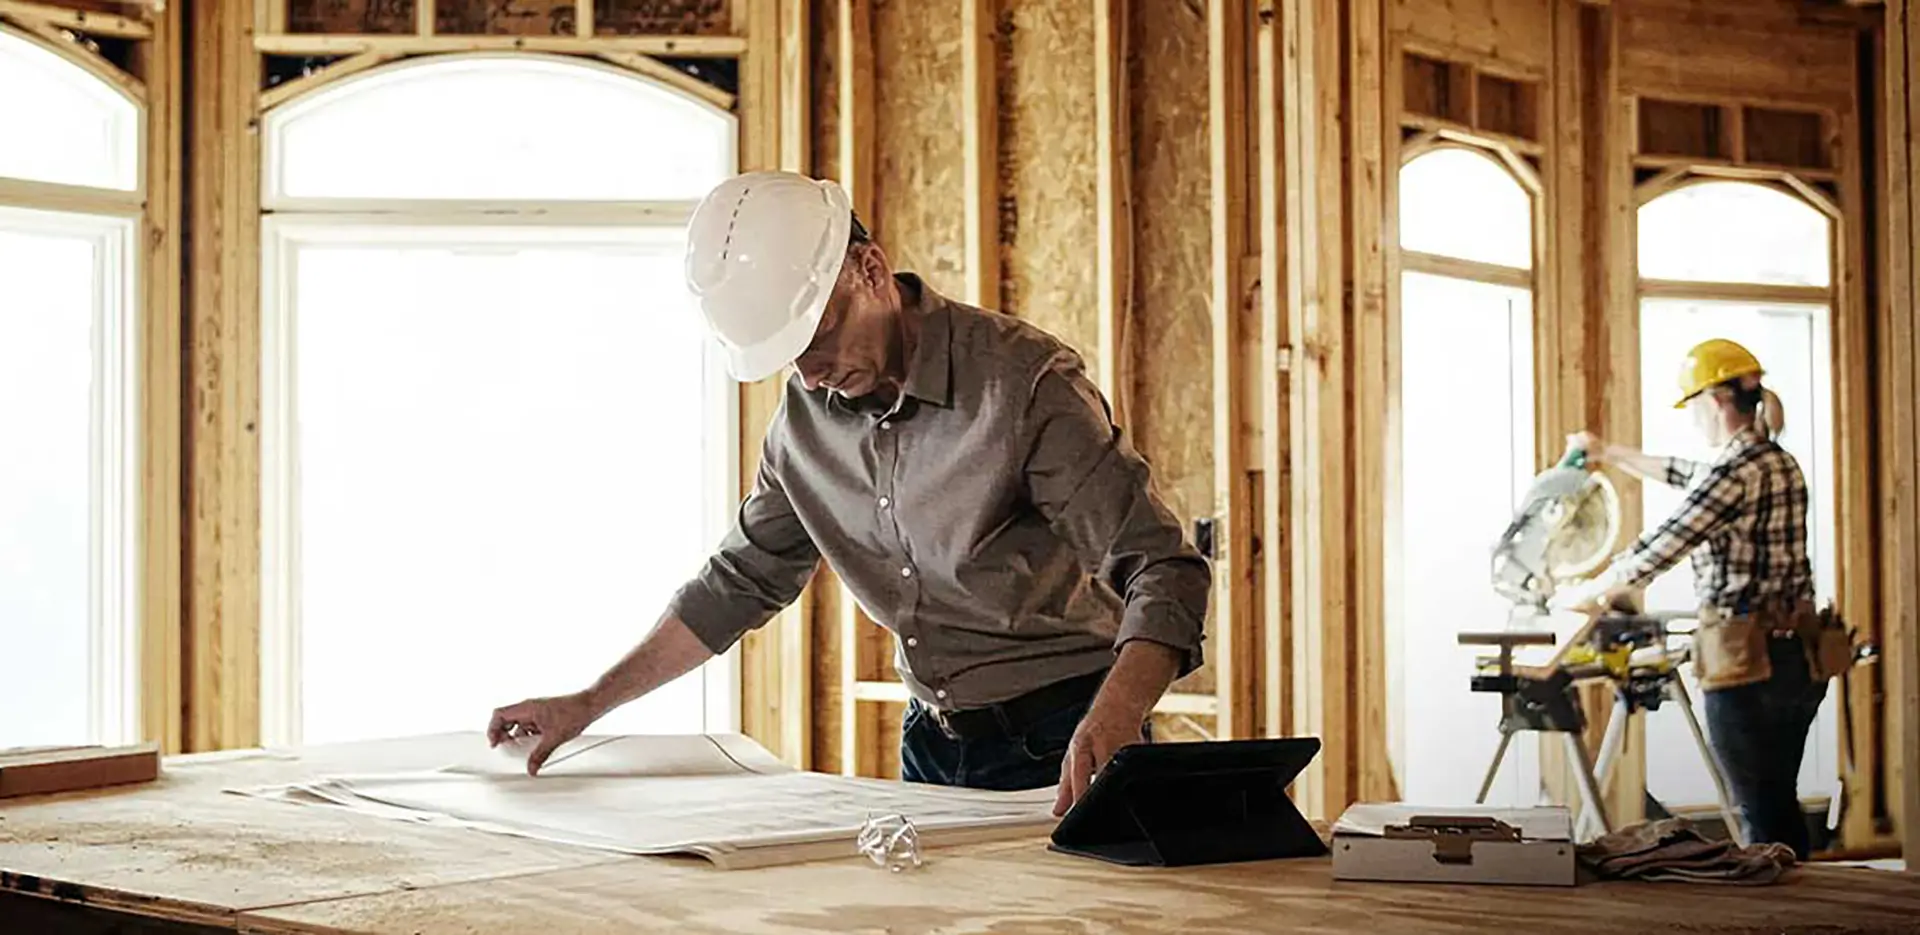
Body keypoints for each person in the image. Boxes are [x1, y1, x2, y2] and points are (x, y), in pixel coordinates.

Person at [486, 171, 1210, 817]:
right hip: (929, 744)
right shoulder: (803, 425)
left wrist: (1117, 715)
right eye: (789, 356)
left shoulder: (1020, 386)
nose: (810, 374)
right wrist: (587, 703)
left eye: (820, 333)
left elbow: (1162, 568)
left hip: (1067, 735)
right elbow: (737, 582)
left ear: (870, 268)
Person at [1553, 337, 1827, 859]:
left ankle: (1769, 917)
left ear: (1715, 400)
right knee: (1776, 803)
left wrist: (1588, 594)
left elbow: (1664, 545)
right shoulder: (1776, 461)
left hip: (1750, 664)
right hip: (1799, 656)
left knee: (1757, 817)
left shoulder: (1735, 473)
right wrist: (1609, 453)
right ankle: (1802, 908)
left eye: (1693, 405)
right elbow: (1686, 474)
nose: (1693, 417)